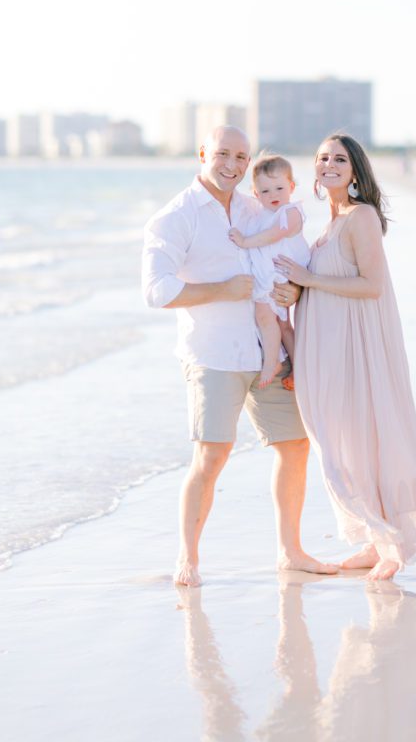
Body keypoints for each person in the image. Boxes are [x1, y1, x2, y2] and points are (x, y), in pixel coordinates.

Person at [275, 133, 416, 581]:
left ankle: (394, 544)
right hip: (327, 350)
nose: (329, 164)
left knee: (369, 438)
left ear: (355, 169)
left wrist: (307, 280)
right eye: (322, 158)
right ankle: (376, 539)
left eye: (339, 158)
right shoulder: (330, 222)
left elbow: (371, 285)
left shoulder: (362, 217)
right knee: (343, 444)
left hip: (356, 351)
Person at [142, 125, 337, 587]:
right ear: (203, 154)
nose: (232, 164)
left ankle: (291, 552)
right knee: (211, 458)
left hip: (267, 350)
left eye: (241, 157)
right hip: (214, 356)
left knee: (295, 447)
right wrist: (221, 290)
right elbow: (155, 291)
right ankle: (188, 558)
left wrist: (289, 290)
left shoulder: (255, 205)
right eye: (223, 154)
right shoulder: (176, 217)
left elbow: (281, 252)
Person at [227, 154, 310, 391]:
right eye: (264, 191)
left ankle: (272, 362)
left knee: (265, 316)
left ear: (291, 187)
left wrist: (244, 241)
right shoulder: (259, 215)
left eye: (279, 188)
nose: (273, 195)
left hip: (282, 273)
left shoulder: (291, 212)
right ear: (255, 193)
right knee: (282, 325)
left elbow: (275, 235)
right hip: (272, 273)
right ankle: (297, 368)